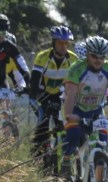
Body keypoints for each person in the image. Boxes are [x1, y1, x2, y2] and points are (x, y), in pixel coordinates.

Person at [62, 36, 108, 176]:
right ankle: (66, 161)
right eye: (94, 56)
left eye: (102, 56)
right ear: (87, 54)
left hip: (97, 112)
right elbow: (70, 95)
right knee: (73, 135)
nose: (98, 60)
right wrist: (69, 115)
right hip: (76, 110)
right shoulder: (76, 69)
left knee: (102, 145)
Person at [29, 25, 79, 162]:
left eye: (66, 43)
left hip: (60, 96)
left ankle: (61, 156)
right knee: (42, 124)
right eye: (60, 43)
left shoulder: (73, 59)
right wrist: (38, 96)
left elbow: (78, 82)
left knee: (62, 126)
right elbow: (34, 82)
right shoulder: (42, 57)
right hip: (41, 94)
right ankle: (35, 155)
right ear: (53, 43)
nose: (63, 47)